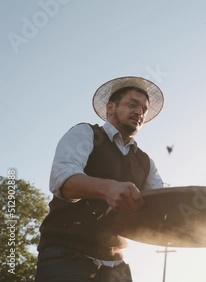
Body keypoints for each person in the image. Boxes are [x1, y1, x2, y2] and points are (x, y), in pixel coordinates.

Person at [35, 76, 165, 281]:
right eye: (133, 104)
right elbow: (62, 179)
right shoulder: (86, 133)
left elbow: (163, 208)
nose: (140, 112)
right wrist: (108, 188)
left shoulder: (145, 162)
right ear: (111, 107)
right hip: (65, 257)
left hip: (115, 266)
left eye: (144, 109)